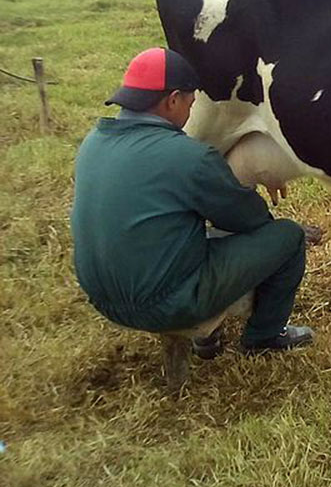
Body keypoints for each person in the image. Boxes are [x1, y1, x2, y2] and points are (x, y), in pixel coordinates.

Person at [71, 47, 314, 356]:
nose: (189, 112)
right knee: (287, 237)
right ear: (173, 100)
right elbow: (248, 220)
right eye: (190, 103)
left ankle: (209, 331)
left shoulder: (93, 142)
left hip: (101, 298)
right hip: (162, 303)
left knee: (188, 234)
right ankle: (264, 336)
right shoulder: (189, 156)